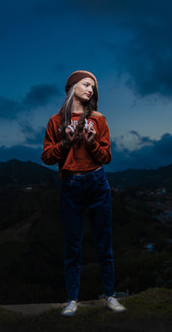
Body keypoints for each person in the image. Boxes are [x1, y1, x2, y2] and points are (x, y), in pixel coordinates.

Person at [41, 70, 126, 317]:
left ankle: (110, 296)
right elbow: (46, 157)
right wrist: (65, 143)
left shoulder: (99, 119)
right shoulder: (55, 122)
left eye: (93, 87)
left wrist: (91, 143)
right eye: (87, 84)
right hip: (70, 184)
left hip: (97, 181)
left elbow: (106, 157)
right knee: (73, 246)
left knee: (103, 242)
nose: (91, 90)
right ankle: (72, 300)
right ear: (72, 87)